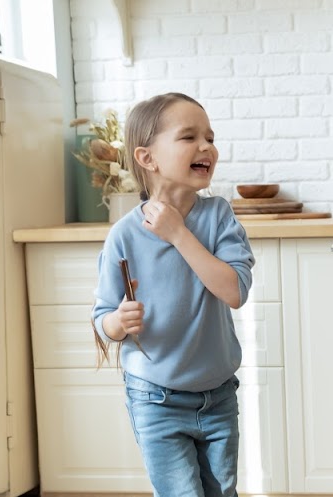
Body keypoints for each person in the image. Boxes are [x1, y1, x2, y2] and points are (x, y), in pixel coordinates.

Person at [92, 92, 255, 497]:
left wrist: (177, 234)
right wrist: (117, 321)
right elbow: (102, 318)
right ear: (147, 158)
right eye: (189, 137)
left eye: (210, 137)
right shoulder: (124, 235)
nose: (206, 147)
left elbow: (234, 291)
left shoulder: (219, 217)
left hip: (217, 395)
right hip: (155, 398)